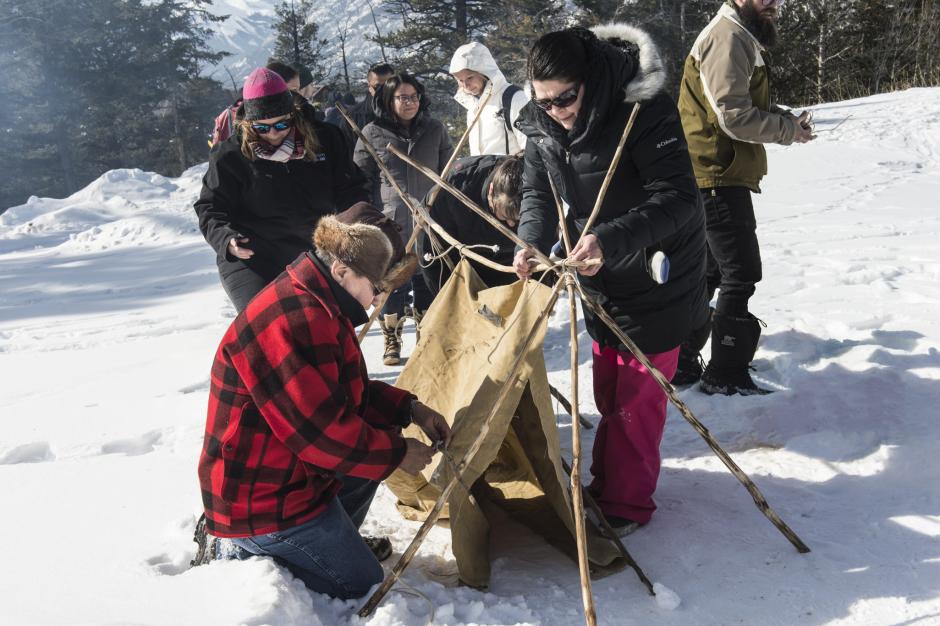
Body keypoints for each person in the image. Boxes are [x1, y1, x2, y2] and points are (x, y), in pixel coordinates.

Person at [512, 26, 709, 535]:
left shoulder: (643, 110)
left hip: (657, 267)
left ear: (590, 79)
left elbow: (679, 198)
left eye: (566, 98)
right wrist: (531, 241)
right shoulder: (543, 123)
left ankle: (626, 503)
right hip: (596, 269)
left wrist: (609, 238)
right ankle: (607, 482)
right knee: (609, 386)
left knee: (639, 395)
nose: (556, 111)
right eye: (545, 101)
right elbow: (536, 191)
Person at [198, 215, 451, 600]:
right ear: (341, 269)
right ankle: (237, 552)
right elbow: (319, 435)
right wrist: (398, 453)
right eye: (377, 288)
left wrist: (409, 410)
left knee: (372, 455)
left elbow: (344, 396)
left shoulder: (318, 304)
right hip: (260, 503)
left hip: (290, 477)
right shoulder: (293, 320)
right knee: (363, 587)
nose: (379, 300)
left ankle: (321, 547)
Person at [676, 0, 815, 394]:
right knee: (741, 272)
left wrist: (785, 120)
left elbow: (737, 105)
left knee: (711, 271)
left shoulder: (739, 34)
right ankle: (725, 373)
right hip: (716, 172)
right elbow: (733, 117)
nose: (772, 3)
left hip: (713, 171)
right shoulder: (728, 36)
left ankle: (681, 360)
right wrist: (787, 131)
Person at [195, 67, 369, 312]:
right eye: (262, 128)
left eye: (281, 124)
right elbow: (211, 207)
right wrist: (227, 239)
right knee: (267, 323)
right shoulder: (231, 155)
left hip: (315, 251)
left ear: (293, 115)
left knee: (331, 322)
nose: (273, 134)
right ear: (248, 123)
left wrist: (356, 226)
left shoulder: (325, 140)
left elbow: (352, 189)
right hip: (254, 256)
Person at [354, 72, 451, 366]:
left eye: (414, 97)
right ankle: (392, 338)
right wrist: (369, 216)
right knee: (392, 283)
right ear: (388, 100)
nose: (409, 103)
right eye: (402, 98)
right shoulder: (373, 132)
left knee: (427, 280)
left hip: (430, 220)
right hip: (390, 222)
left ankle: (425, 334)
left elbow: (448, 172)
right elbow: (360, 178)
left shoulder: (434, 129)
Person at [418, 153, 523, 294]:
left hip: (511, 266)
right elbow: (433, 250)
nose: (511, 225)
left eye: (517, 220)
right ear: (491, 192)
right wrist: (445, 295)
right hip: (463, 266)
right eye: (505, 216)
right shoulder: (456, 186)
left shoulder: (533, 186)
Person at [449, 42, 528, 155]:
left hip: (511, 171)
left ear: (484, 72)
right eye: (460, 80)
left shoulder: (514, 98)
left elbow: (531, 148)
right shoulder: (472, 106)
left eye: (470, 77)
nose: (466, 85)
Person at [336, 63, 396, 156]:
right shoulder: (353, 118)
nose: (385, 91)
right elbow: (346, 154)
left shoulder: (408, 111)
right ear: (369, 86)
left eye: (389, 85)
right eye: (378, 87)